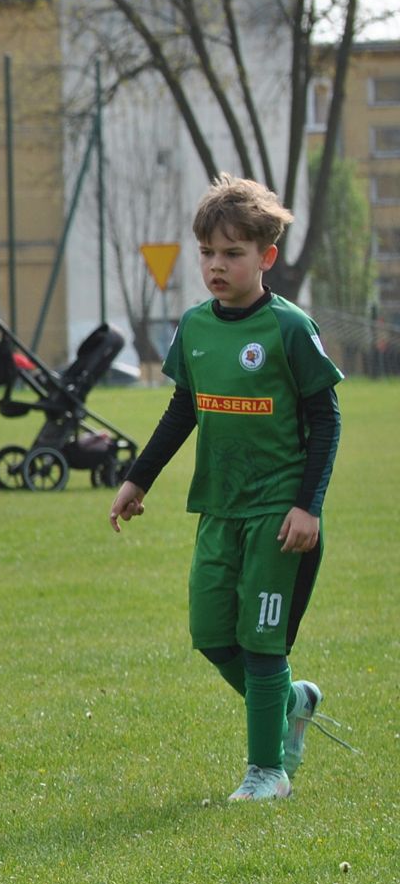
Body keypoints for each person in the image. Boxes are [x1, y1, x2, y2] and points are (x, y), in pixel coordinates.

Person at [109, 175, 344, 802]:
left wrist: (307, 506)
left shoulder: (289, 328)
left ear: (265, 257)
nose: (217, 265)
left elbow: (327, 418)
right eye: (208, 253)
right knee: (213, 637)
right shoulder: (194, 328)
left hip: (277, 513)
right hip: (218, 508)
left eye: (232, 253)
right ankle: (293, 701)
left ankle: (267, 772)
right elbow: (182, 409)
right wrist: (137, 478)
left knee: (261, 642)